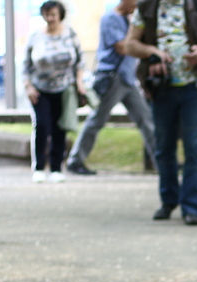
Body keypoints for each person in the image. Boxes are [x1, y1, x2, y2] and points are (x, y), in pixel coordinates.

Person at [125, 0, 197, 226]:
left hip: (195, 87)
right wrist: (152, 52)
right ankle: (169, 200)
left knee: (195, 146)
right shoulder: (148, 6)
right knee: (164, 148)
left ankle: (191, 207)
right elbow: (130, 44)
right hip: (161, 89)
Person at [66, 0, 156, 176]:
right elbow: (122, 47)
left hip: (128, 80)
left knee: (146, 120)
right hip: (112, 78)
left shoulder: (128, 19)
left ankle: (162, 163)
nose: (137, 5)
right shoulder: (110, 18)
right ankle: (75, 160)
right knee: (97, 120)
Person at [22, 1, 86, 183]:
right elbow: (25, 65)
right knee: (42, 125)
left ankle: (57, 168)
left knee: (60, 127)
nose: (50, 18)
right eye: (47, 14)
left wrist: (79, 82)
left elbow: (80, 61)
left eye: (53, 15)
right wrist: (28, 86)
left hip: (64, 89)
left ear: (60, 15)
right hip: (40, 89)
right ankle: (39, 167)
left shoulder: (70, 34)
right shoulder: (35, 36)